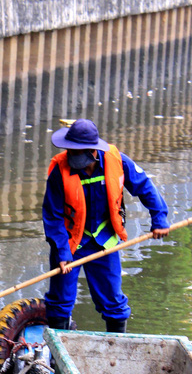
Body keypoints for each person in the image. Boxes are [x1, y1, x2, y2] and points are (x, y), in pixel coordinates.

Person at [42, 118, 169, 333]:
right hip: (70, 242)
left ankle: (117, 346)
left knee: (113, 300)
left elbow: (145, 186)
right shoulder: (59, 170)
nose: (69, 155)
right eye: (69, 150)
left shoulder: (116, 161)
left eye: (76, 152)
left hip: (104, 240)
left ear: (92, 152)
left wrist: (159, 218)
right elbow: (52, 216)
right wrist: (62, 253)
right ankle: (57, 352)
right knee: (60, 301)